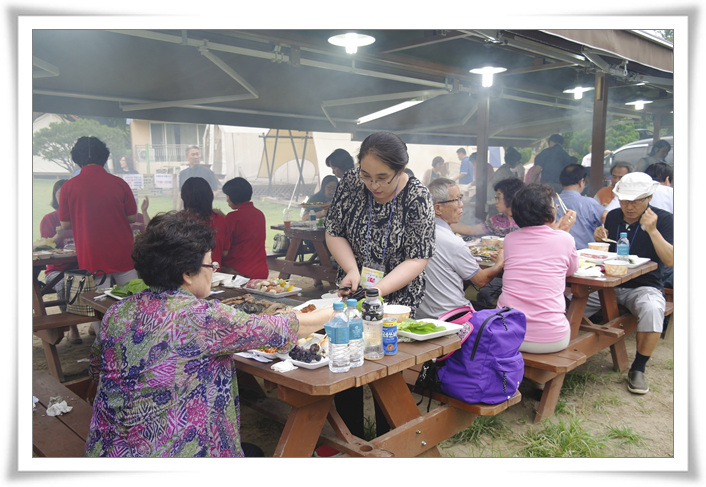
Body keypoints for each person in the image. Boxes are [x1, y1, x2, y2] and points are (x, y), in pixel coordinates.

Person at [84, 211, 331, 457]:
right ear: (187, 274)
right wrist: (337, 310)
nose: (213, 271)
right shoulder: (200, 316)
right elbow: (283, 327)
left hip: (107, 452)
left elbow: (96, 370)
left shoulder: (117, 311)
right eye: (210, 265)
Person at [325, 131, 435, 440]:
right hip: (353, 288)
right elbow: (334, 231)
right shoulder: (351, 181)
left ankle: (390, 439)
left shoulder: (417, 196)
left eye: (383, 178)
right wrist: (351, 269)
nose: (373, 185)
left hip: (398, 297)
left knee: (389, 367)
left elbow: (418, 257)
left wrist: (378, 291)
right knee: (345, 355)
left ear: (401, 170)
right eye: (367, 176)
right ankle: (351, 438)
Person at [590, 172, 673, 394]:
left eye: (636, 201)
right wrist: (600, 239)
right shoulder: (613, 216)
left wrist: (652, 231)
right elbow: (609, 251)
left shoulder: (664, 219)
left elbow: (670, 260)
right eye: (624, 200)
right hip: (607, 283)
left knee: (653, 309)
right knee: (571, 301)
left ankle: (638, 369)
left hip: (644, 285)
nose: (629, 206)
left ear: (649, 197)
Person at [497, 183, 578, 354]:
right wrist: (565, 231)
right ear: (549, 212)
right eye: (554, 206)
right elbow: (571, 270)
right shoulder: (565, 239)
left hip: (506, 335)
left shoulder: (510, 239)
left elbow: (538, 239)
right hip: (551, 339)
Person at [416, 178, 504, 320]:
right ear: (438, 208)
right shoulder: (453, 242)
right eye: (456, 200)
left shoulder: (416, 232)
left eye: (460, 198)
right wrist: (500, 262)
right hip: (452, 316)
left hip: (420, 315)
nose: (461, 204)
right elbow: (481, 280)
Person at [59, 136, 139, 290]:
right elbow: (132, 217)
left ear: (77, 158)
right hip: (122, 250)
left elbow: (65, 224)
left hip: (91, 252)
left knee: (98, 299)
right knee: (133, 295)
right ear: (104, 156)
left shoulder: (68, 187)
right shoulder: (119, 183)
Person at [40, 179, 81, 343]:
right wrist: (59, 235)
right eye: (60, 193)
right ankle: (72, 326)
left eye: (68, 193)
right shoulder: (49, 219)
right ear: (55, 197)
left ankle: (95, 324)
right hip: (56, 270)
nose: (64, 197)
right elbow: (44, 247)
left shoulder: (81, 216)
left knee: (97, 282)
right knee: (65, 284)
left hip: (80, 267)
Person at [220, 177, 269, 279]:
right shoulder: (259, 214)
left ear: (234, 197)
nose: (226, 199)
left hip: (239, 273)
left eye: (227, 196)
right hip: (260, 270)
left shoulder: (232, 217)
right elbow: (244, 225)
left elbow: (224, 250)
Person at [556, 164, 608, 250]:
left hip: (559, 251)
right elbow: (605, 219)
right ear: (581, 181)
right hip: (585, 253)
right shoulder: (589, 203)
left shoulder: (550, 202)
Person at [451, 177, 523, 238]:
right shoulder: (496, 220)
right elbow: (472, 230)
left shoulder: (525, 220)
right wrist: (448, 226)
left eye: (498, 197)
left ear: (510, 198)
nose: (496, 201)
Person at [180, 177, 230, 265]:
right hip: (213, 271)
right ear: (209, 196)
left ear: (184, 197)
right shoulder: (220, 220)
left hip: (184, 271)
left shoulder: (178, 220)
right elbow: (225, 252)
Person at [485, 147, 523, 212]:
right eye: (518, 161)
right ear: (514, 161)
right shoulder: (505, 172)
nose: (519, 163)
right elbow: (516, 187)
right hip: (492, 199)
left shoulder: (504, 169)